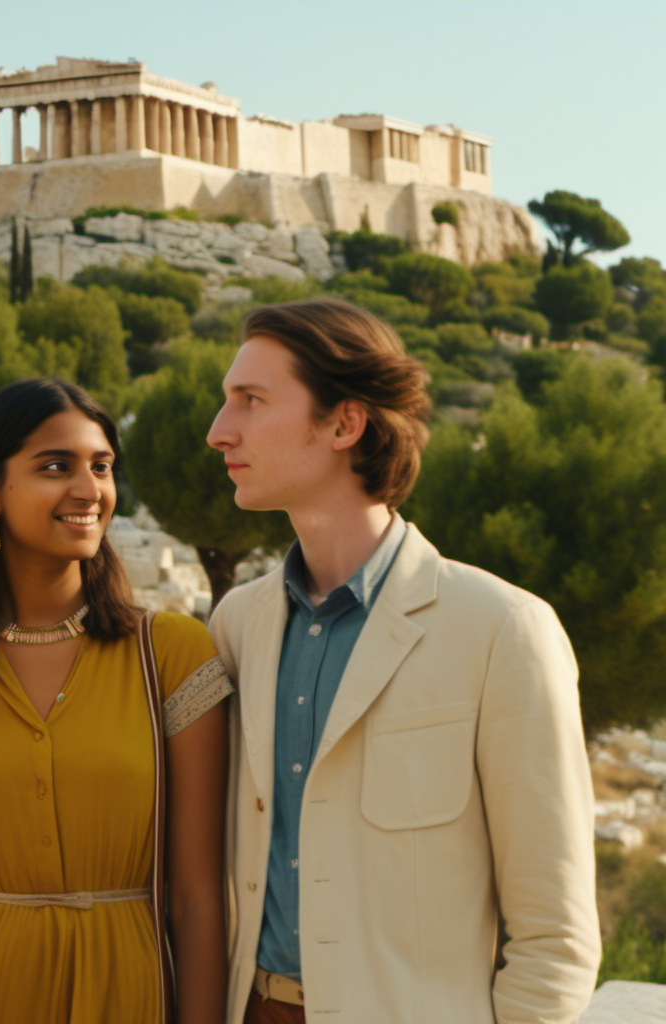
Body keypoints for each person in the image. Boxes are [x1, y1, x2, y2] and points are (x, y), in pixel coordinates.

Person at [205, 298, 600, 1024]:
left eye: (250, 401)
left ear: (346, 424)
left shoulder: (504, 631)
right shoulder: (237, 626)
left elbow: (555, 939)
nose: (218, 430)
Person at [0, 378, 231, 1024]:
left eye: (102, 467)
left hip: (121, 995)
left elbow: (198, 899)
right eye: (57, 467)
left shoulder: (170, 656)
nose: (89, 490)